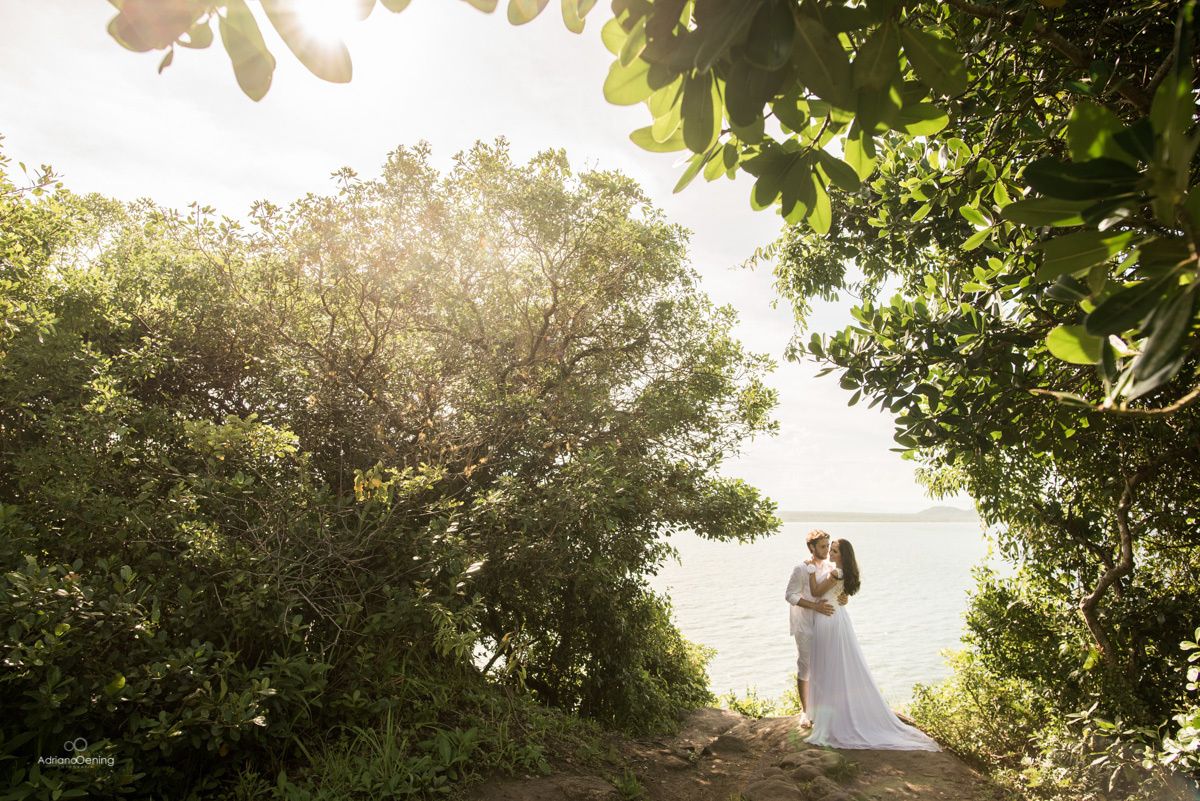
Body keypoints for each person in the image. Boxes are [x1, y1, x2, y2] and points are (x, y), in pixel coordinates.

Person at [805, 538, 940, 751]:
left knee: (828, 665)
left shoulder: (835, 573)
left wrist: (811, 570)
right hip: (837, 616)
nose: (830, 553)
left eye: (835, 551)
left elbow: (815, 592)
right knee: (835, 664)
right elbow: (840, 593)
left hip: (829, 619)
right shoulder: (839, 571)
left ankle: (830, 718)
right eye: (830, 549)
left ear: (843, 555)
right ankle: (831, 712)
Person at [783, 530, 843, 727]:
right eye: (822, 547)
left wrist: (844, 597)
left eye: (828, 546)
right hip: (805, 625)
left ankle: (822, 709)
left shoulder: (828, 567)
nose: (826, 550)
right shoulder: (801, 569)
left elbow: (834, 590)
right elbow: (790, 595)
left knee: (823, 665)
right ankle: (805, 711)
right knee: (806, 666)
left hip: (824, 624)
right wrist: (814, 606)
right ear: (812, 548)